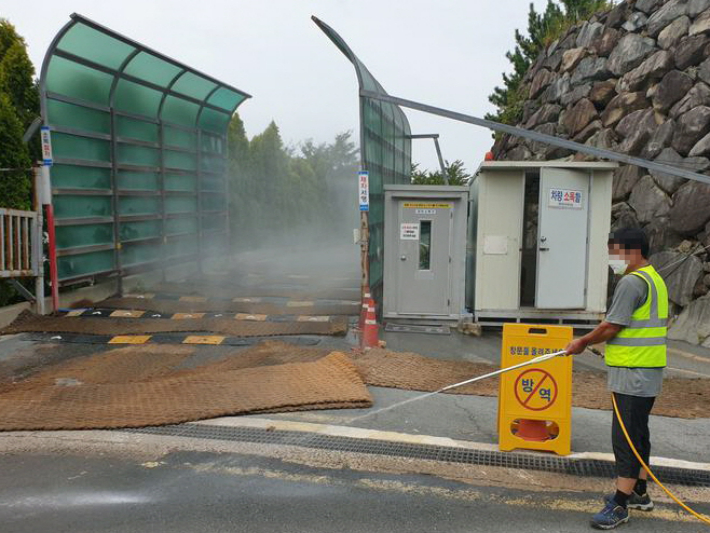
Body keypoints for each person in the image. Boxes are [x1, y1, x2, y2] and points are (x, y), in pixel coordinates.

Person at [565, 228, 668, 530]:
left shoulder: (632, 282)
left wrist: (581, 342)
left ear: (632, 251)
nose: (612, 260)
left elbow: (612, 326)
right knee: (638, 433)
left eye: (615, 253)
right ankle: (639, 492)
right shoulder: (655, 279)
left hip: (632, 373)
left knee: (624, 437)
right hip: (648, 371)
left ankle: (620, 504)